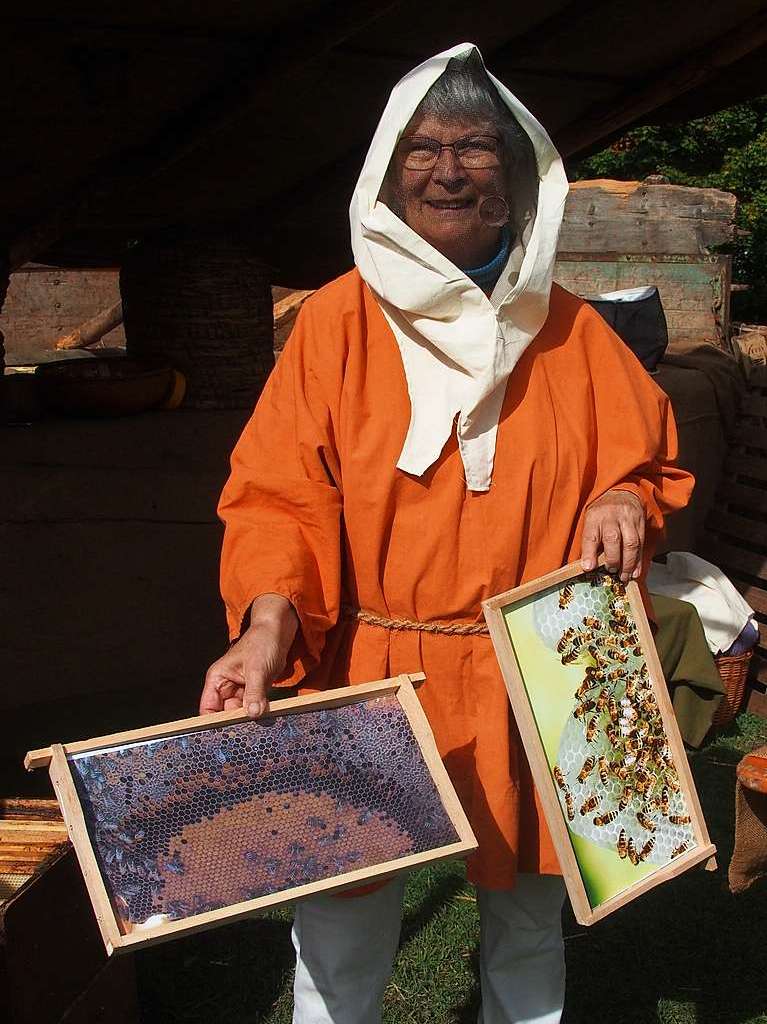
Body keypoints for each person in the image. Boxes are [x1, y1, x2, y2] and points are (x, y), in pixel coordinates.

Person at [199, 43, 693, 1024]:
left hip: (540, 670)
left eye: (474, 148)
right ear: (387, 172)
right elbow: (278, 499)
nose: (450, 169)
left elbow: (641, 464)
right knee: (341, 931)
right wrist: (264, 626)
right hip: (374, 671)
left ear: (516, 184)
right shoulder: (334, 327)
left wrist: (624, 498)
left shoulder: (567, 331)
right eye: (424, 149)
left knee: (526, 924)